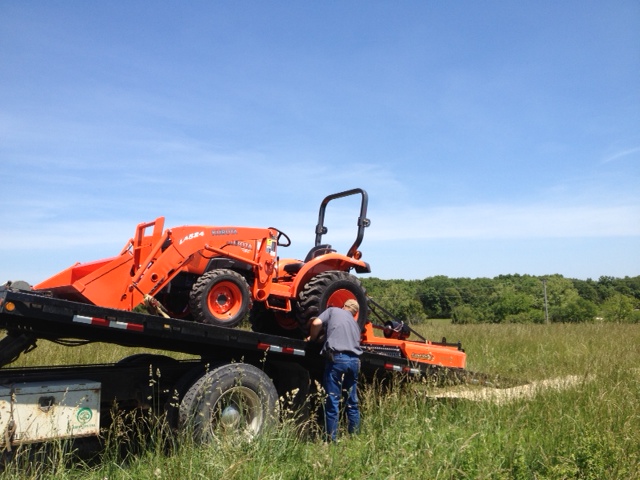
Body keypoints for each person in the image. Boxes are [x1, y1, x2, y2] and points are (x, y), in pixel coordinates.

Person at [306, 299, 363, 442]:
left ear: (344, 306)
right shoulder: (355, 325)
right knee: (352, 401)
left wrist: (312, 339)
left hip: (338, 359)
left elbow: (316, 323)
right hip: (355, 361)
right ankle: (355, 438)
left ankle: (331, 440)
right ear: (355, 313)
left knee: (333, 400)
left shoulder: (333, 311)